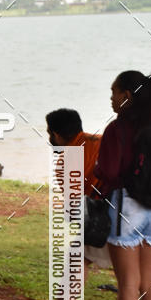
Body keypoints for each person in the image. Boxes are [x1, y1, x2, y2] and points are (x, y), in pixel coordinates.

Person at [95, 70, 151, 300]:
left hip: (126, 206)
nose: (111, 98)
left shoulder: (118, 129)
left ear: (127, 96)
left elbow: (109, 172)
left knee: (129, 283)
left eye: (114, 93)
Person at [45, 107, 109, 276]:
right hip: (130, 207)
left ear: (56, 134)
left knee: (76, 260)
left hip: (102, 215)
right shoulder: (103, 140)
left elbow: (76, 207)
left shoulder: (64, 163)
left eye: (49, 134)